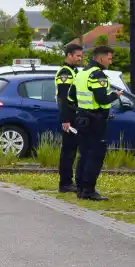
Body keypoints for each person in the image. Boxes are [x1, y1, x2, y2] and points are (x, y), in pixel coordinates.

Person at [73, 45, 125, 201]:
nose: (111, 61)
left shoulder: (82, 74)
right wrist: (115, 95)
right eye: (109, 58)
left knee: (83, 154)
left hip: (82, 117)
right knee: (95, 155)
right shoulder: (98, 75)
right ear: (101, 58)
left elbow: (72, 96)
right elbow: (102, 99)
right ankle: (89, 190)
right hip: (95, 120)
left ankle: (81, 188)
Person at [56, 44, 85, 193]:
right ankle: (65, 183)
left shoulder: (73, 71)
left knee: (72, 150)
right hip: (70, 117)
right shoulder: (65, 73)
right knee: (68, 151)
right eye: (77, 56)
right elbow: (63, 98)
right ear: (69, 55)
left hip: (74, 115)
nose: (80, 58)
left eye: (81, 56)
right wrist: (66, 120)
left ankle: (68, 181)